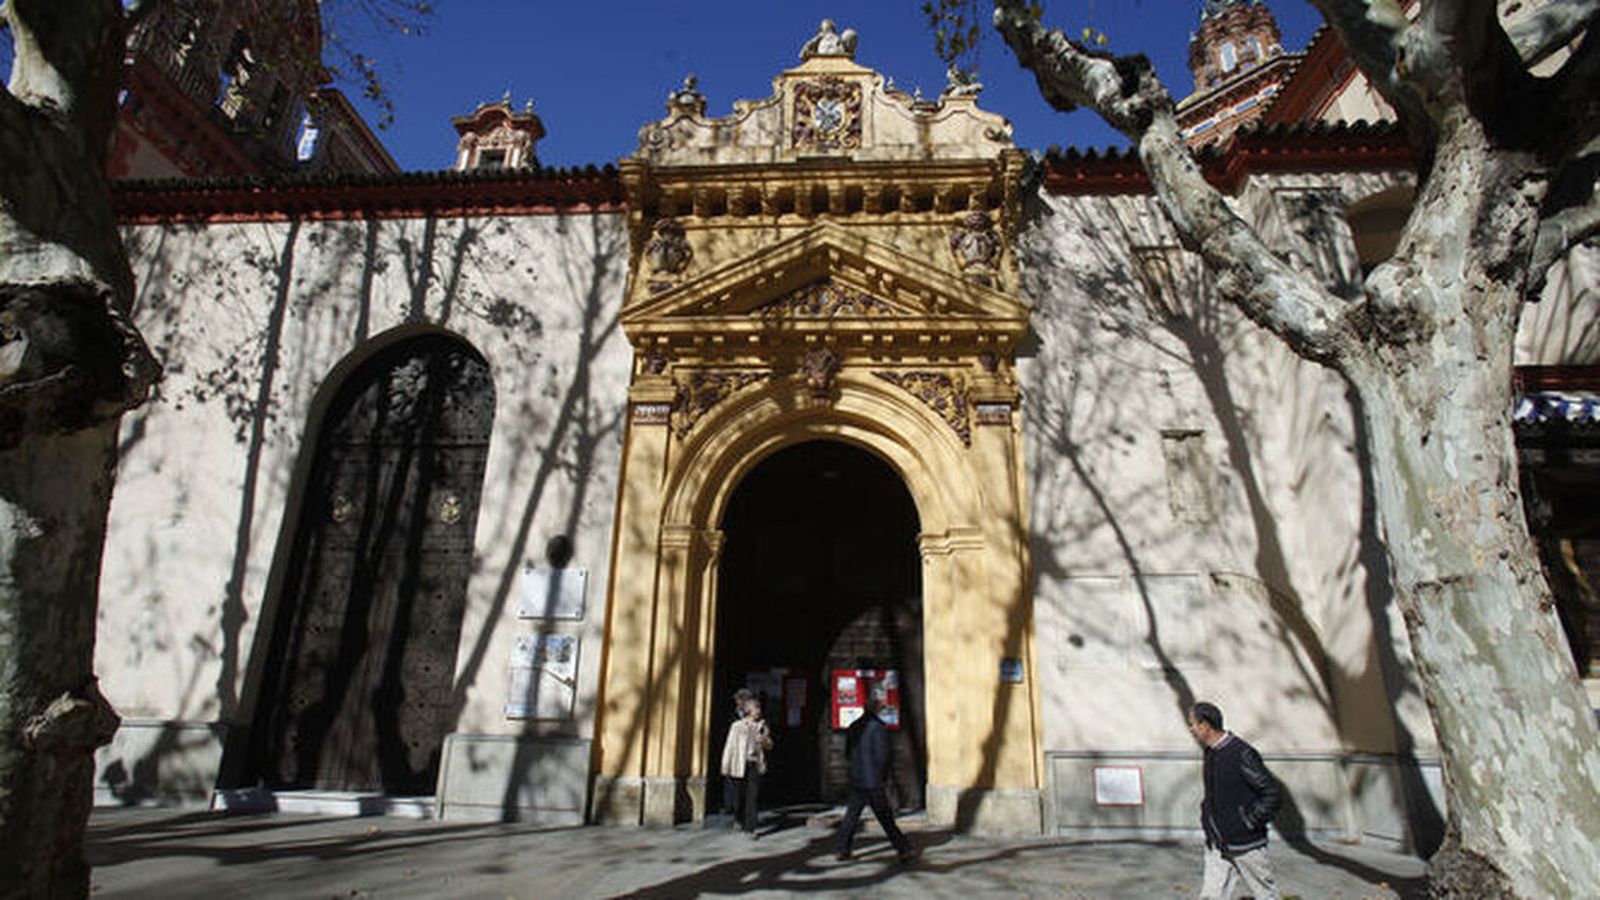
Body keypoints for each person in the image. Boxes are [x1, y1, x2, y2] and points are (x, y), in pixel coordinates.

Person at [1188, 701, 1282, 900]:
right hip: (1217, 842)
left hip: (1245, 844)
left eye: (1194, 724)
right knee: (1210, 895)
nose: (1192, 729)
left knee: (1265, 895)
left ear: (1205, 725)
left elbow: (1272, 794)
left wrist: (1247, 822)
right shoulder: (1211, 752)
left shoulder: (1241, 753)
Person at [834, 691, 918, 863]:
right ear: (876, 709)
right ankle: (904, 849)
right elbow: (882, 755)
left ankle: (842, 850)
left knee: (851, 816)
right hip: (873, 781)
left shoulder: (854, 725)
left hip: (858, 778)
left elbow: (848, 752)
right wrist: (884, 776)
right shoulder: (878, 727)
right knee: (886, 818)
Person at [720, 694, 772, 837]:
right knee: (739, 796)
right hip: (739, 763)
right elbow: (729, 746)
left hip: (754, 763)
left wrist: (765, 741)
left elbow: (769, 745)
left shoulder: (762, 726)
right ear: (749, 710)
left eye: (759, 708)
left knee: (753, 796)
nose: (759, 711)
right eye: (756, 708)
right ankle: (739, 817)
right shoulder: (737, 726)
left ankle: (750, 828)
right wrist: (725, 765)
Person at [720, 688, 754, 825]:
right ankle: (730, 806)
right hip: (735, 753)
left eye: (742, 700)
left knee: (744, 785)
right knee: (731, 780)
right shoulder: (732, 716)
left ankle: (741, 811)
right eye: (740, 700)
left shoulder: (754, 717)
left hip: (748, 756)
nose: (740, 702)